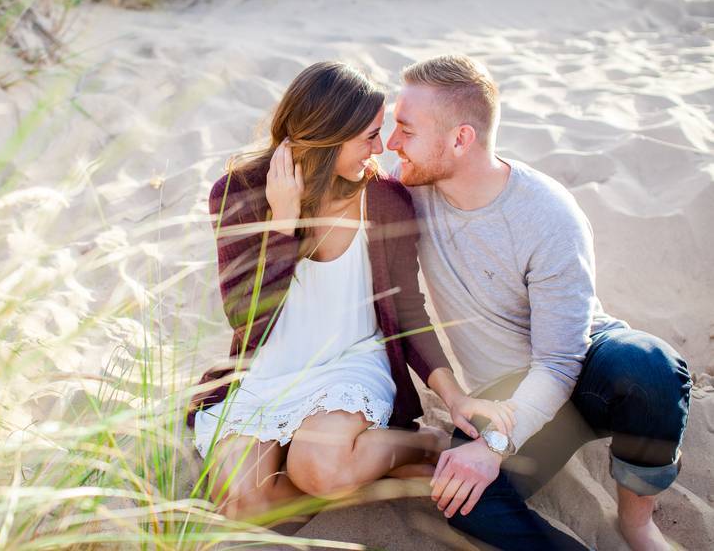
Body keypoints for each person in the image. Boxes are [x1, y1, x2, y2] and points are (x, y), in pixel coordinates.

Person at [386, 53, 692, 550]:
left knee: (651, 366)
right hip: (502, 394)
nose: (391, 144)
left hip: (585, 364)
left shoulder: (548, 215)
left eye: (405, 129)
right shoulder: (408, 193)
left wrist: (491, 448)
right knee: (465, 500)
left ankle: (637, 523)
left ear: (460, 139)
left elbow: (558, 360)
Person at [186, 61, 515, 521]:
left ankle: (423, 443)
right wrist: (282, 224)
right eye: (368, 137)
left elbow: (406, 309)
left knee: (318, 469)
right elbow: (245, 316)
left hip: (352, 362)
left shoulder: (386, 200)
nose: (381, 149)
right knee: (244, 505)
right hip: (268, 370)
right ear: (326, 136)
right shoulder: (238, 193)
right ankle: (383, 478)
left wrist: (453, 396)